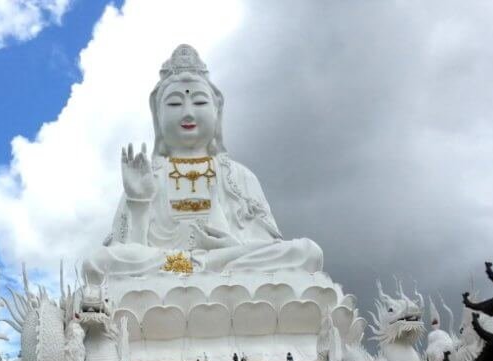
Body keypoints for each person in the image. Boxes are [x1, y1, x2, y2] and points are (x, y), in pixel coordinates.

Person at [82, 44, 323, 283]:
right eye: (175, 104)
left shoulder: (238, 176)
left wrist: (232, 248)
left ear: (217, 112)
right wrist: (138, 202)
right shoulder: (148, 175)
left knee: (307, 252)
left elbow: (267, 244)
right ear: (158, 115)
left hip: (228, 265)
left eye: (199, 103)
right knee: (97, 262)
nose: (187, 113)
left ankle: (204, 265)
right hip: (169, 265)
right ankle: (197, 265)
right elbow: (130, 254)